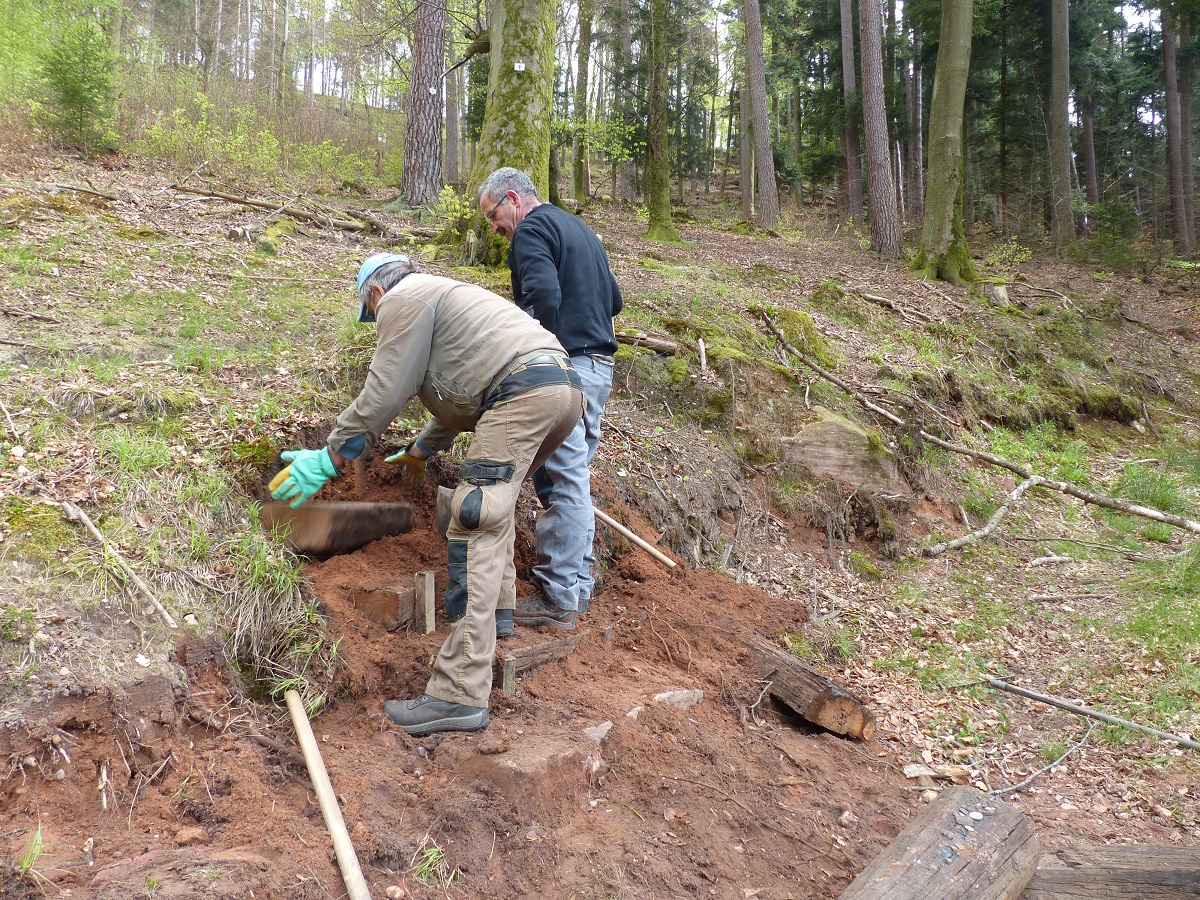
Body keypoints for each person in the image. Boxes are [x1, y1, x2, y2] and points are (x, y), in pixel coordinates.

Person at [269, 253, 583, 735]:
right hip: (560, 391)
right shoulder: (448, 297)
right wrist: (420, 448)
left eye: (371, 315)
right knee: (494, 511)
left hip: (521, 394)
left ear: (375, 294)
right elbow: (465, 384)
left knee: (473, 517)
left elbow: (385, 392)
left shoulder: (402, 299)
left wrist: (331, 456)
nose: (377, 322)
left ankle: (458, 692)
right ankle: (498, 618)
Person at [478, 167, 623, 632]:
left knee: (562, 482)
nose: (494, 230)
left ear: (514, 200)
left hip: (569, 368)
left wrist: (533, 356)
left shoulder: (532, 230)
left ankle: (559, 596)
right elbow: (614, 300)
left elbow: (542, 295)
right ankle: (576, 587)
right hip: (600, 367)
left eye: (493, 216)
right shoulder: (580, 229)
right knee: (569, 479)